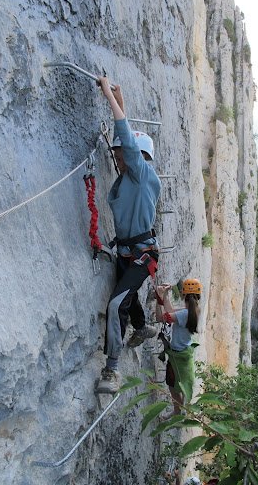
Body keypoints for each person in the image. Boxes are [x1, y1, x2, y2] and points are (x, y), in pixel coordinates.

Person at [96, 76, 161, 394]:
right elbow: (127, 140)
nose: (117, 158)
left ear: (140, 158)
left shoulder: (141, 173)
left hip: (140, 254)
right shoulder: (131, 177)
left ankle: (111, 371)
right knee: (130, 295)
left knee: (116, 303)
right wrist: (120, 101)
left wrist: (109, 94)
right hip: (127, 251)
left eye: (122, 155)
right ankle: (142, 326)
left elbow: (126, 137)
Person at [156, 279, 202, 416]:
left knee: (173, 386)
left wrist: (158, 299)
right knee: (177, 384)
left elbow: (160, 318)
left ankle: (177, 412)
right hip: (183, 352)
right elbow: (171, 312)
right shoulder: (194, 311)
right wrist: (165, 295)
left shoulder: (185, 314)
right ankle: (179, 411)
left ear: (183, 295)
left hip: (177, 355)